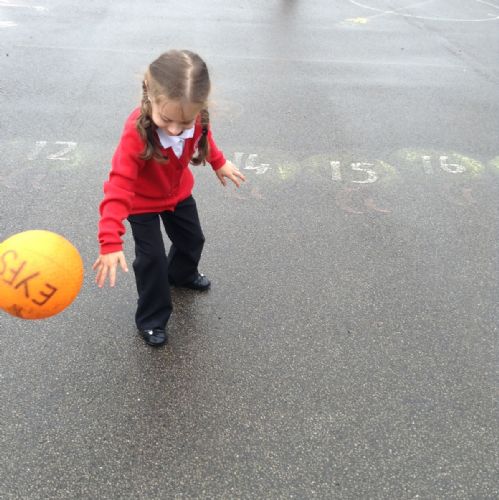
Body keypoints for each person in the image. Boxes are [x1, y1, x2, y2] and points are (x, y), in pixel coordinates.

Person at [93, 50, 245, 347]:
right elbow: (119, 186)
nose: (175, 129)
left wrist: (218, 162)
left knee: (192, 240)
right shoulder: (136, 133)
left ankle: (181, 274)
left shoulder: (196, 118)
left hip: (177, 194)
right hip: (141, 203)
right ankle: (151, 319)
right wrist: (110, 241)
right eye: (166, 119)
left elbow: (203, 138)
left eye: (183, 123)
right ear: (149, 94)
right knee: (152, 261)